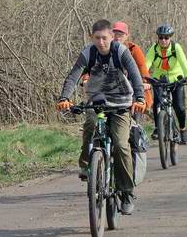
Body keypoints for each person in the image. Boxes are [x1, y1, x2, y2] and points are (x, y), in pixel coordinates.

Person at [57, 20, 145, 215]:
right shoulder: (89, 53)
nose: (101, 42)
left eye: (104, 38)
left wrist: (139, 98)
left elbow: (135, 74)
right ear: (92, 38)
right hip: (96, 100)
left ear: (111, 37)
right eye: (97, 38)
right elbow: (74, 76)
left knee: (121, 145)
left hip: (121, 103)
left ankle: (127, 192)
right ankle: (88, 164)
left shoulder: (120, 51)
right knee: (89, 124)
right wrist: (65, 97)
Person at [145, 23, 187, 143]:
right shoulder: (154, 49)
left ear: (170, 38)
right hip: (159, 79)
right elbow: (146, 64)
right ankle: (157, 127)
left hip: (176, 78)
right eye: (161, 37)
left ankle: (182, 128)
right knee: (157, 104)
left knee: (179, 107)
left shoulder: (176, 47)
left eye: (166, 38)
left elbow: (183, 63)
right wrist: (143, 77)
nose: (163, 40)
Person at [112, 21, 153, 112]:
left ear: (127, 36)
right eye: (115, 34)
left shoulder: (133, 49)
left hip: (132, 84)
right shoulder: (106, 48)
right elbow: (93, 64)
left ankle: (136, 124)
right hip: (111, 87)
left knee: (136, 107)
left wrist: (145, 82)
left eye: (121, 35)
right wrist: (86, 79)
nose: (117, 37)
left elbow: (142, 67)